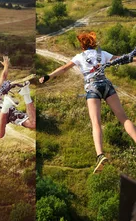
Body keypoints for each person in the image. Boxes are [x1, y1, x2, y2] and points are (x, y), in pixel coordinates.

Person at [40, 31, 136, 173]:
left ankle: (100, 155)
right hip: (106, 85)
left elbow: (64, 68)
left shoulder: (79, 57)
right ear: (93, 43)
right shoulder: (102, 53)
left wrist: (49, 76)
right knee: (123, 118)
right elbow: (122, 59)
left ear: (82, 45)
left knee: (96, 123)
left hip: (92, 88)